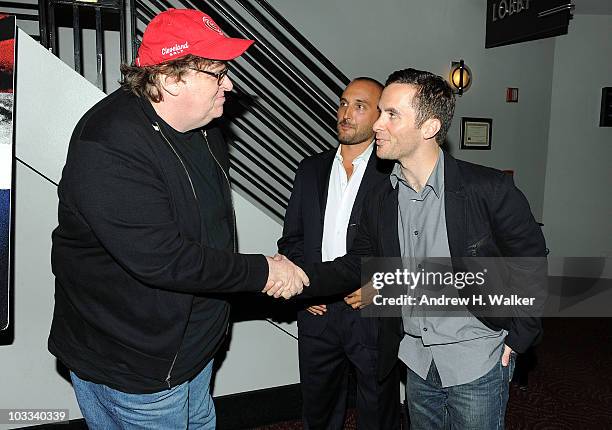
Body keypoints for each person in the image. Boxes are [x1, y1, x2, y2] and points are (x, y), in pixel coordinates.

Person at [48, 8, 307, 429]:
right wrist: (263, 272)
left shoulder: (205, 127)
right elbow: (162, 258)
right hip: (136, 369)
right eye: (218, 74)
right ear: (170, 79)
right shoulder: (109, 145)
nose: (230, 85)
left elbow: (212, 233)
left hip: (194, 351)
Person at [292, 68, 547, 429]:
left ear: (429, 128)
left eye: (391, 115)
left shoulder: (487, 189)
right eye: (380, 112)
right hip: (414, 360)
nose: (378, 124)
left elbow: (531, 261)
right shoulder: (381, 198)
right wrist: (294, 278)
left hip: (476, 360)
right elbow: (357, 265)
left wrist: (521, 336)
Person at [278, 78, 399, 430]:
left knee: (378, 412)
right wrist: (306, 285)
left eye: (359, 106)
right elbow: (291, 240)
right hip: (317, 312)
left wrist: (385, 286)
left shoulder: (392, 174)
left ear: (379, 117)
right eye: (343, 103)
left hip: (371, 309)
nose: (346, 113)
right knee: (318, 410)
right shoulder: (310, 169)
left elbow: (408, 244)